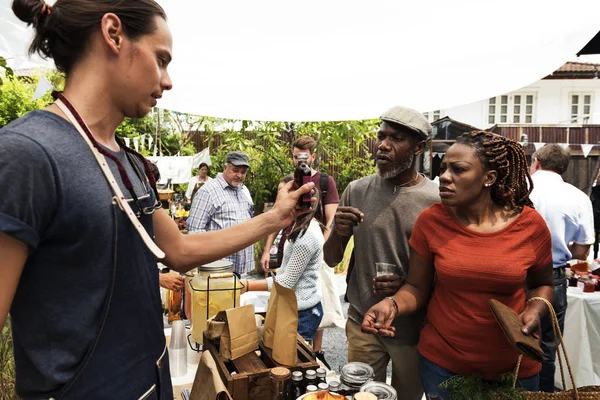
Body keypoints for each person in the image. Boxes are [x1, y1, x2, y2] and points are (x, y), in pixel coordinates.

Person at [0, 1, 314, 398]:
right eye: (161, 59)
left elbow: (179, 250)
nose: (167, 81)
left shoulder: (127, 163)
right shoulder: (26, 154)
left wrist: (275, 217)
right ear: (113, 34)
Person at [361, 131, 554, 399]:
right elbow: (416, 287)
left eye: (458, 169)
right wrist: (391, 304)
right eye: (444, 169)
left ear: (489, 178)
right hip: (444, 367)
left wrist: (535, 310)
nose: (444, 176)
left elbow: (543, 284)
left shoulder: (530, 225)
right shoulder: (432, 221)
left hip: (514, 368)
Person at [323, 106, 439, 399]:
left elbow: (448, 271)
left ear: (418, 147)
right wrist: (337, 230)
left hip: (412, 330)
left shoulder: (436, 201)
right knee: (360, 396)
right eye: (381, 136)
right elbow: (330, 259)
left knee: (407, 396)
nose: (383, 145)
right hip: (363, 323)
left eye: (396, 138)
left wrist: (407, 286)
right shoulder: (357, 190)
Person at [529, 144, 594, 393]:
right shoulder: (578, 197)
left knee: (506, 340)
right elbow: (580, 252)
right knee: (546, 347)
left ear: (536, 162)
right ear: (563, 168)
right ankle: (542, 396)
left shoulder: (519, 188)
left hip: (512, 273)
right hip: (553, 277)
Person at [243, 176, 325, 341]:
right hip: (295, 307)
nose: (278, 201)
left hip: (303, 312)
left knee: (294, 360)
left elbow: (287, 282)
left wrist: (247, 285)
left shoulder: (306, 235)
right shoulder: (298, 224)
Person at [187, 152, 255, 275]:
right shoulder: (208, 191)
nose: (239, 175)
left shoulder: (243, 191)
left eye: (243, 172)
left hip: (242, 269)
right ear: (225, 167)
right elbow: (195, 230)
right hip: (217, 269)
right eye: (235, 170)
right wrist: (214, 257)